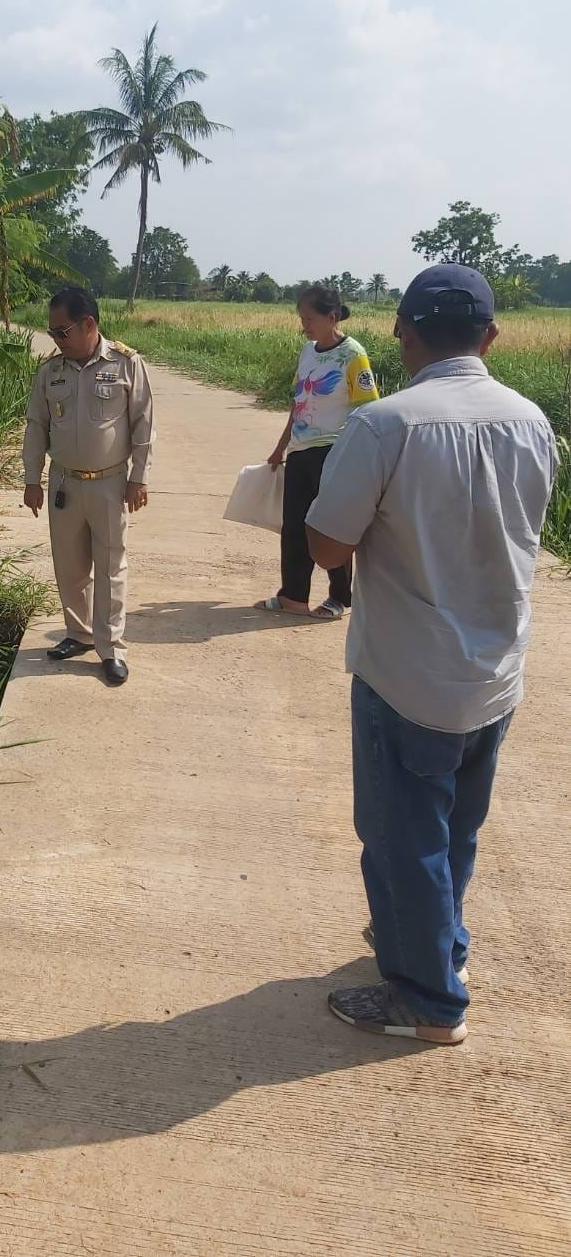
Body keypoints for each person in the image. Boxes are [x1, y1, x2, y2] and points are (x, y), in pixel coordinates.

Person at [306, 265, 557, 1044]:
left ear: (403, 334)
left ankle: (426, 999)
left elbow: (327, 544)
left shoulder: (386, 425)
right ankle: (441, 945)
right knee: (454, 827)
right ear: (489, 337)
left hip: (408, 674)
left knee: (400, 832)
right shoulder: (532, 421)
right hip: (496, 672)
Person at [22, 287, 154, 687]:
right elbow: (36, 426)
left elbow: (143, 425)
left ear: (89, 325)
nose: (56, 341)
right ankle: (78, 634)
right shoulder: (51, 371)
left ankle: (110, 647)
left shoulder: (126, 364)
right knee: (70, 565)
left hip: (110, 483)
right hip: (64, 482)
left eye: (62, 332)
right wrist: (32, 478)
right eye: (52, 334)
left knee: (111, 566)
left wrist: (139, 477)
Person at [256, 284, 379, 620]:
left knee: (330, 525)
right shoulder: (308, 352)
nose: (304, 325)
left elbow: (367, 408)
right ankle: (293, 596)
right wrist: (281, 447)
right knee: (294, 526)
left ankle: (339, 597)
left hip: (334, 452)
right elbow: (299, 403)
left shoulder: (354, 355)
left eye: (310, 318)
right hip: (300, 451)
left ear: (332, 317)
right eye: (301, 319)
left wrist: (355, 456)